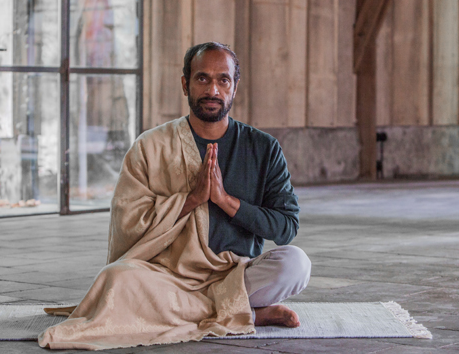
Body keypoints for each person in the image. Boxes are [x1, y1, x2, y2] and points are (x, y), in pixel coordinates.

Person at [38, 42, 310, 350]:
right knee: (117, 279)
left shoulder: (263, 148)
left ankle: (218, 306)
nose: (213, 90)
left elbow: (286, 228)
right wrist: (191, 199)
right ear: (185, 84)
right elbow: (128, 224)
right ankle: (245, 313)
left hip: (236, 274)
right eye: (202, 78)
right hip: (166, 276)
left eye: (223, 79)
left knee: (295, 264)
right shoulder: (150, 146)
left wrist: (224, 200)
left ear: (235, 87)